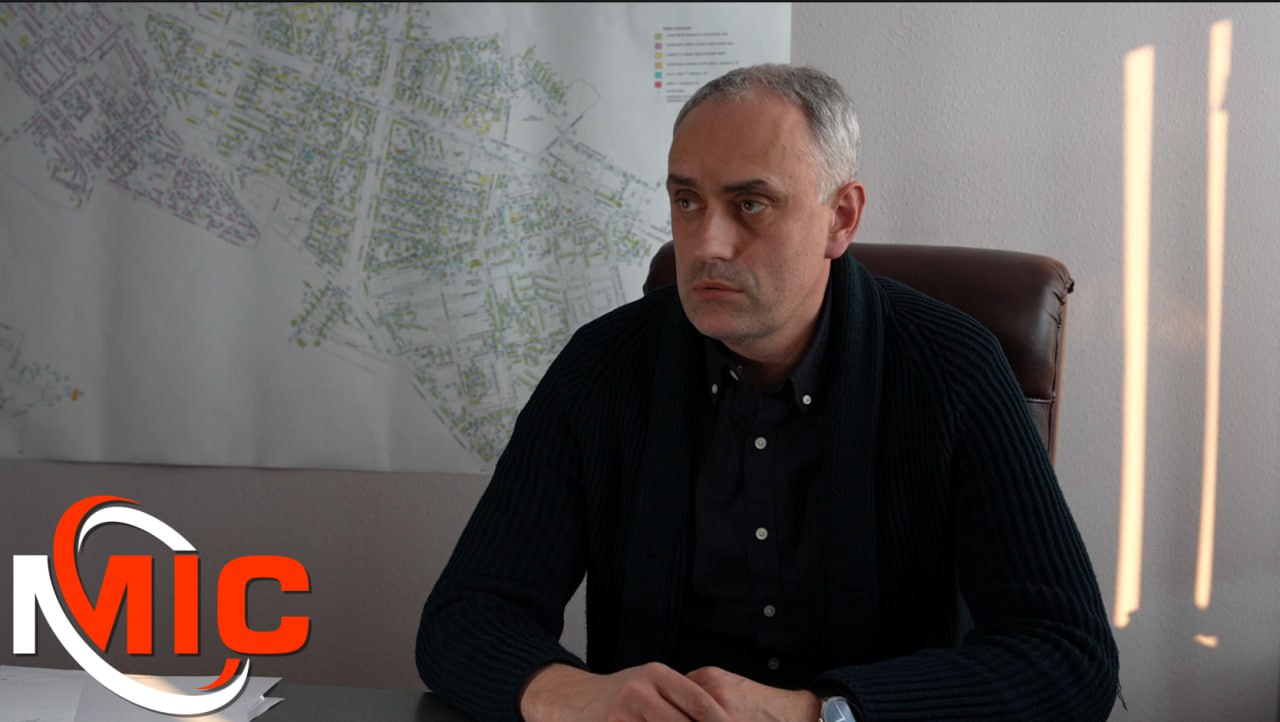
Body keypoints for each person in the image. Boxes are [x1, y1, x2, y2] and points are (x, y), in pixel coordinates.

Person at [416, 64, 1119, 721]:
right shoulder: (602, 369)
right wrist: (572, 696)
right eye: (687, 201)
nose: (707, 244)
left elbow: (1068, 654)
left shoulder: (953, 368)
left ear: (841, 218)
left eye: (750, 204)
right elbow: (466, 617)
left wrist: (814, 712)